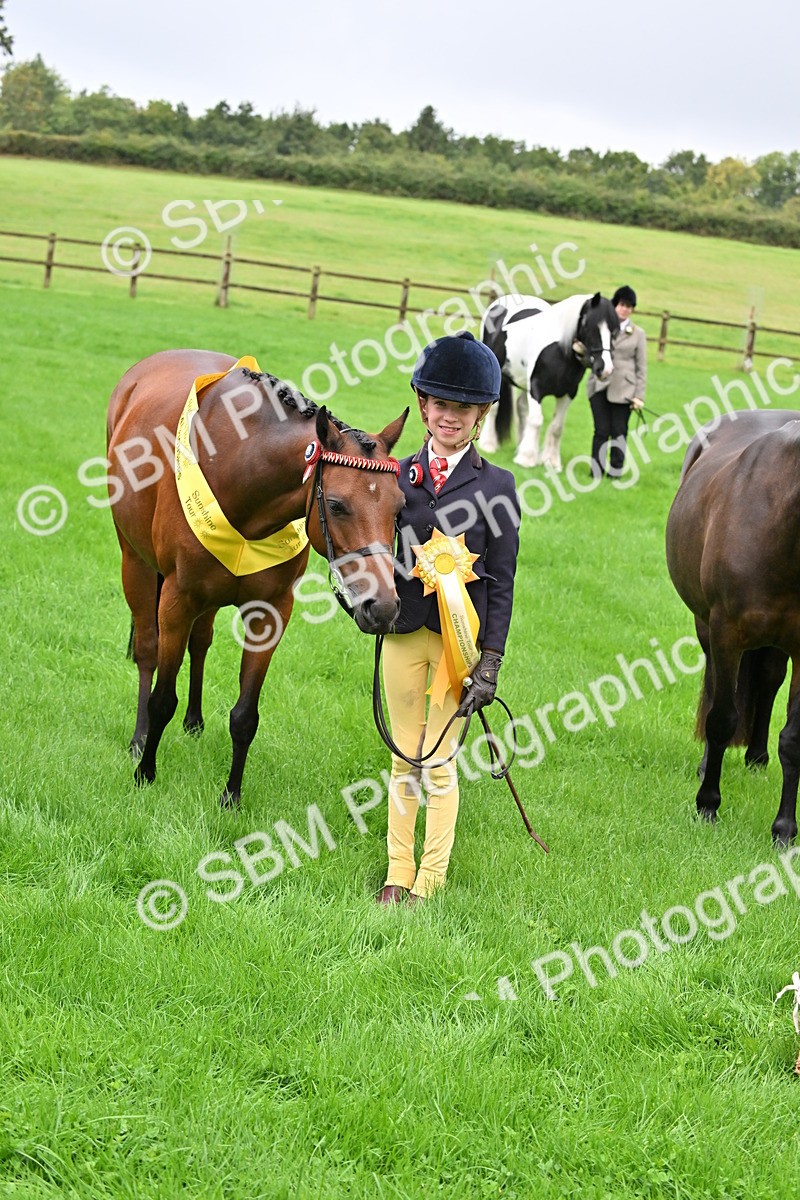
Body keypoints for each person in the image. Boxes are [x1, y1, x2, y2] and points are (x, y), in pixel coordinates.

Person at [376, 330, 521, 906]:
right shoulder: (394, 476)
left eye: (462, 408)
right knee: (401, 757)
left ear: (482, 413)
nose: (449, 417)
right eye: (440, 405)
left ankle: (430, 881)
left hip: (461, 645)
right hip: (402, 636)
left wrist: (491, 661)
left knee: (438, 763)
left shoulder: (497, 486)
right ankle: (396, 872)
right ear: (422, 406)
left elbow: (504, 583)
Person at [587, 285, 647, 477]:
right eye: (621, 304)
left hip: (624, 391)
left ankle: (615, 471)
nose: (624, 309)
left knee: (619, 431)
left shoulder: (638, 334)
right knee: (601, 430)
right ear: (615, 306)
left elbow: (641, 367)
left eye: (629, 306)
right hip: (599, 385)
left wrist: (639, 395)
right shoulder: (603, 328)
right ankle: (596, 470)